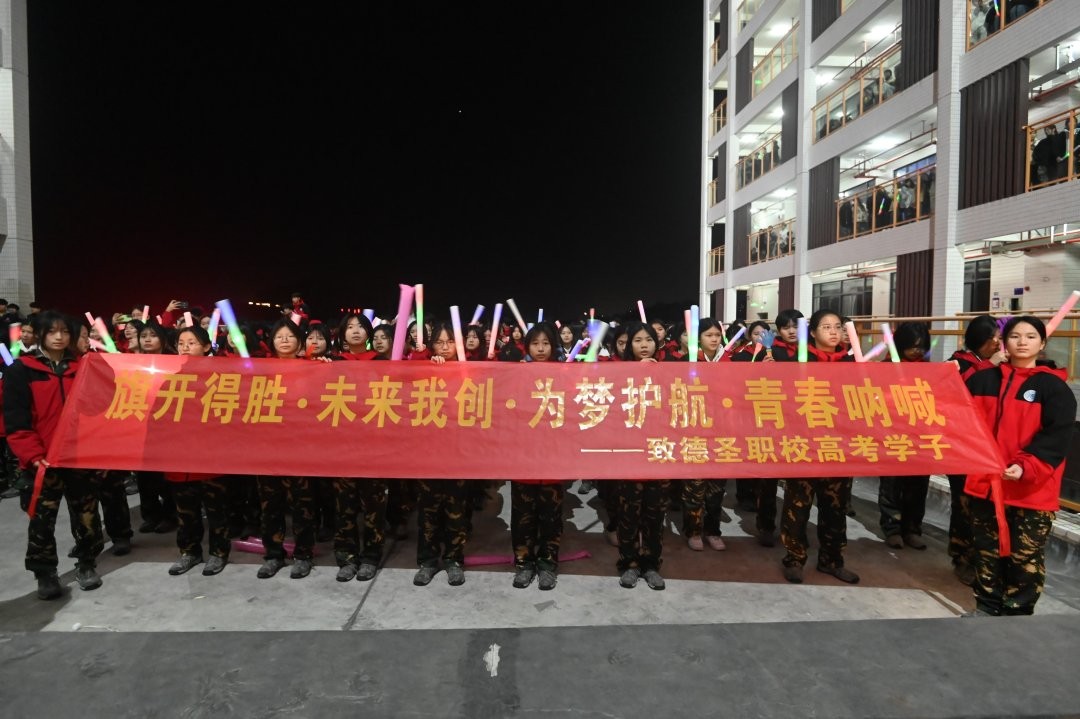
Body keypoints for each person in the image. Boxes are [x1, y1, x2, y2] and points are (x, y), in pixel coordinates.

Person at [963, 316, 1075, 616]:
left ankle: (1017, 614)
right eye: (1015, 336)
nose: (1022, 342)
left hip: (1031, 489)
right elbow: (958, 419)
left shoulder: (1054, 388)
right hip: (986, 485)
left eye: (1030, 336)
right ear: (1003, 342)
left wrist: (1026, 466)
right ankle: (986, 607)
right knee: (986, 551)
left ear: (1042, 343)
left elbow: (1057, 437)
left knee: (1024, 556)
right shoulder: (982, 380)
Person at [4, 311, 105, 599]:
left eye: (64, 331)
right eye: (51, 331)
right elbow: (16, 420)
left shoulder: (83, 367)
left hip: (79, 457)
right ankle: (45, 573)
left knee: (86, 515)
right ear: (39, 334)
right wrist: (34, 455)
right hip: (42, 461)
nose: (59, 337)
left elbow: (101, 411)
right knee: (41, 520)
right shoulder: (22, 370)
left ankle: (87, 563)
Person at [780, 309, 859, 584]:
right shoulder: (799, 361)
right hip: (803, 446)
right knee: (798, 507)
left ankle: (832, 560)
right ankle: (794, 559)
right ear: (812, 332)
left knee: (835, 508)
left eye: (838, 326)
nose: (834, 332)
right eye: (826, 327)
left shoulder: (851, 362)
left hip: (838, 448)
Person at [946, 315, 1007, 585]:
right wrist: (988, 367)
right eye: (995, 337)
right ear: (982, 339)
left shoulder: (998, 363)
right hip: (961, 446)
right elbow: (956, 392)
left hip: (988, 447)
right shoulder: (957, 362)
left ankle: (984, 559)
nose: (998, 343)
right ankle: (961, 557)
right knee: (963, 504)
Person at [167, 326, 231, 576]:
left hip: (211, 458)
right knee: (185, 511)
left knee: (216, 510)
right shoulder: (170, 377)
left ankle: (219, 552)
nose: (185, 347)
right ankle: (189, 552)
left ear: (206, 347)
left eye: (192, 342)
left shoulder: (220, 377)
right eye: (181, 343)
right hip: (179, 459)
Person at [256, 318, 317, 579]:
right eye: (279, 336)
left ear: (300, 342)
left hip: (301, 450)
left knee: (302, 506)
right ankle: (273, 555)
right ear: (271, 341)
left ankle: (303, 555)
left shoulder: (313, 370)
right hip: (268, 450)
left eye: (290, 336)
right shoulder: (259, 370)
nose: (284, 340)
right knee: (271, 506)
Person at [413, 321, 470, 587]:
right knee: (428, 511)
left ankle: (454, 560)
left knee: (456, 511)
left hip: (458, 454)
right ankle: (427, 561)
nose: (445, 347)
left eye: (450, 342)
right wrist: (424, 362)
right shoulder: (425, 367)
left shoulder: (467, 369)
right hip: (429, 454)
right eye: (439, 342)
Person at [614, 323, 669, 590]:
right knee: (628, 515)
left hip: (658, 454)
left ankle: (651, 564)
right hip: (629, 456)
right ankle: (629, 564)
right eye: (637, 340)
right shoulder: (617, 373)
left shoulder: (667, 372)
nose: (644, 345)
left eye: (648, 339)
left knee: (655, 516)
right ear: (628, 345)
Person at [510, 323, 565, 590]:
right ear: (527, 346)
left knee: (551, 517)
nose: (541, 349)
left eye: (546, 343)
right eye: (535, 343)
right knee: (522, 516)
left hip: (553, 460)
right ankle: (523, 564)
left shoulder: (565, 375)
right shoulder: (517, 374)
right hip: (523, 459)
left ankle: (547, 564)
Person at [877, 322, 932, 551]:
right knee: (891, 486)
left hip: (921, 438)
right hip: (892, 436)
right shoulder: (885, 368)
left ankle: (912, 529)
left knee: (918, 487)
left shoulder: (930, 370)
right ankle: (892, 528)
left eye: (921, 346)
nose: (917, 351)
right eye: (912, 346)